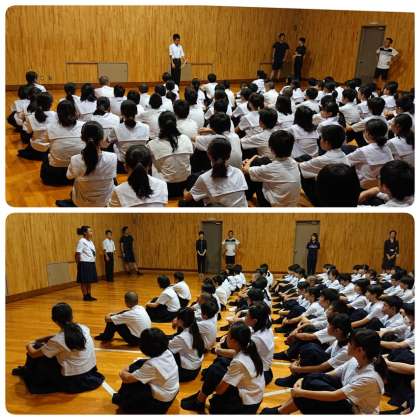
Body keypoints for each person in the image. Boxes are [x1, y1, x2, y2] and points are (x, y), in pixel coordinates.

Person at [261, 329, 386, 414]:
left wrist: (301, 392)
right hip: (347, 400)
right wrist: (303, 379)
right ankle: (282, 410)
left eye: (350, 343)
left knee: (308, 394)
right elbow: (330, 374)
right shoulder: (355, 360)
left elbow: (335, 396)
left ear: (360, 350)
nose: (347, 345)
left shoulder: (369, 378)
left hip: (356, 412)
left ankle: (281, 411)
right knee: (311, 381)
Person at [11, 303, 104, 394]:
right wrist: (41, 339)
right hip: (89, 372)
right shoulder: (83, 328)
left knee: (37, 348)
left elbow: (33, 354)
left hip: (73, 379)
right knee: (47, 350)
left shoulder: (58, 340)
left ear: (54, 320)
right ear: (71, 316)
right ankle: (27, 369)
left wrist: (29, 344)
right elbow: (59, 337)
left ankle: (27, 371)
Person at [181, 321, 265, 414]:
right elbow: (234, 353)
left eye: (228, 335)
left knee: (215, 372)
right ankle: (200, 398)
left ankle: (200, 400)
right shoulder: (248, 345)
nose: (225, 337)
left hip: (246, 404)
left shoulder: (239, 362)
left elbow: (219, 391)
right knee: (220, 363)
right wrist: (219, 351)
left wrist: (211, 384)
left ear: (234, 341)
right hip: (253, 394)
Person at [111, 328, 179, 414]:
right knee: (138, 365)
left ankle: (123, 400)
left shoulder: (152, 365)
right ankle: (123, 397)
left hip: (159, 405)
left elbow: (127, 378)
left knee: (131, 380)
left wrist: (122, 371)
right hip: (170, 393)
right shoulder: (167, 352)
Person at [58, 120, 117, 207]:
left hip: (81, 203)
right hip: (106, 202)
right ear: (102, 138)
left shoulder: (75, 159)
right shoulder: (113, 157)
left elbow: (69, 176)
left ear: (82, 138)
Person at [243, 130, 301, 207]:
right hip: (292, 204)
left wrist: (253, 158)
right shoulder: (294, 163)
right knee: (263, 160)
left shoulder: (271, 168)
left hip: (273, 206)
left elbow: (245, 169)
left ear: (271, 148)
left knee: (256, 163)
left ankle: (246, 196)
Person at [185, 137, 248, 207]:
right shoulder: (239, 172)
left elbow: (187, 198)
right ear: (229, 155)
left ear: (208, 155)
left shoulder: (204, 178)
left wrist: (185, 191)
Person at [147, 111, 193, 198]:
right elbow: (190, 157)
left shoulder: (152, 144)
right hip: (185, 185)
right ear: (175, 124)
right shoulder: (186, 138)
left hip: (166, 187)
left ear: (160, 126)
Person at [40, 100, 84, 186]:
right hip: (79, 169)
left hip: (56, 172)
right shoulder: (84, 125)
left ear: (58, 114)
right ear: (75, 112)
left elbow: (45, 144)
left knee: (47, 153)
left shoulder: (50, 127)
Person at [346, 118, 393, 189]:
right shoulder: (387, 148)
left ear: (368, 134)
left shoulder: (363, 151)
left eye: (364, 130)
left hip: (364, 186)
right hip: (383, 184)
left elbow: (345, 161)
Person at [109, 100, 150, 173]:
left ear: (122, 113)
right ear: (136, 112)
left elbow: (105, 144)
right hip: (142, 165)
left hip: (123, 167)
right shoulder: (146, 127)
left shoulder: (116, 129)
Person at [168, 307, 205, 382]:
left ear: (181, 321)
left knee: (164, 354)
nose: (175, 319)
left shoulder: (182, 337)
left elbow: (168, 346)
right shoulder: (194, 327)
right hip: (196, 367)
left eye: (177, 317)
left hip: (187, 372)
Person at [17, 91, 56, 160]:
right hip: (51, 146)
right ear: (51, 104)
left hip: (36, 146)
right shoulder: (56, 115)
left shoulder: (31, 117)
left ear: (37, 103)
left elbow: (27, 132)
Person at [75, 226, 98, 301]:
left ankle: (89, 295)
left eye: (91, 231)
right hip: (84, 263)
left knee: (89, 281)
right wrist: (79, 264)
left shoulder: (90, 242)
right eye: (90, 231)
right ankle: (85, 296)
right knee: (84, 281)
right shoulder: (82, 241)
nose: (92, 232)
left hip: (91, 263)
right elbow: (77, 253)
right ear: (85, 233)